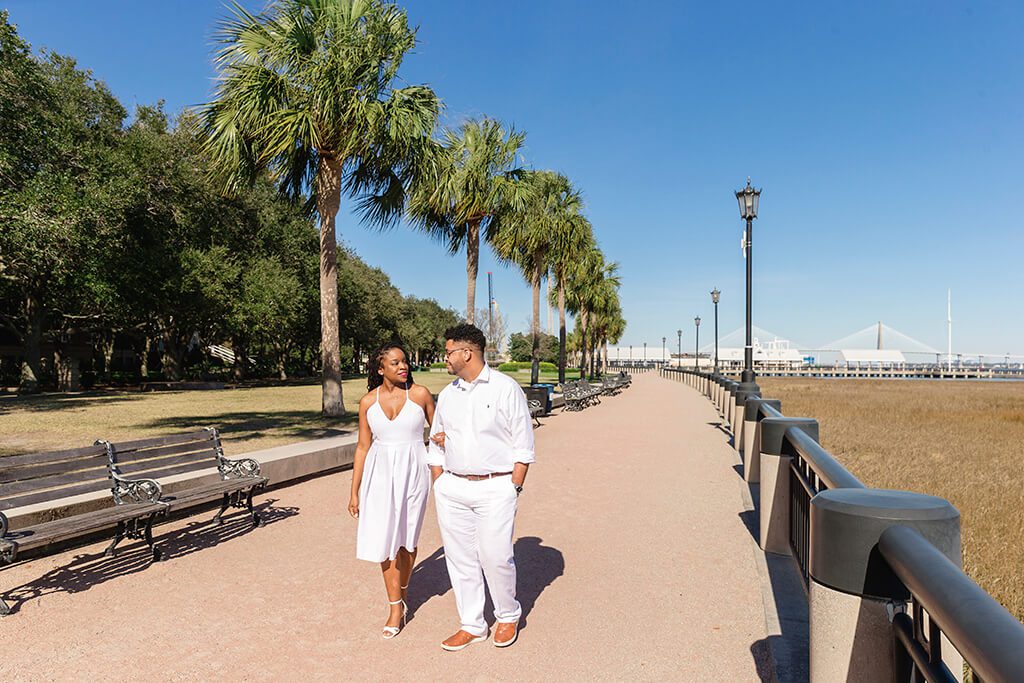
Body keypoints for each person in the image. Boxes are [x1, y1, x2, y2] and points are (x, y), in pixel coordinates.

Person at [428, 324, 535, 651]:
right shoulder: (448, 394)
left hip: (496, 487)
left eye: (448, 352)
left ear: (467, 353)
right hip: (453, 488)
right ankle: (472, 624)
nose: (445, 358)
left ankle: (507, 614)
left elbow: (524, 445)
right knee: (460, 559)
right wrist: (439, 482)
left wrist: (512, 488)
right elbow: (436, 440)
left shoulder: (505, 388)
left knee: (495, 555)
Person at [348, 343, 435, 639]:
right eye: (396, 362)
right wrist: (354, 491)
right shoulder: (367, 403)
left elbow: (438, 435)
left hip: (414, 471)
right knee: (386, 542)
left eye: (405, 362)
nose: (403, 366)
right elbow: (362, 447)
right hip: (380, 474)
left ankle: (404, 589)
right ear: (380, 368)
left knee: (408, 542)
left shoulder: (420, 395)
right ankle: (395, 607)